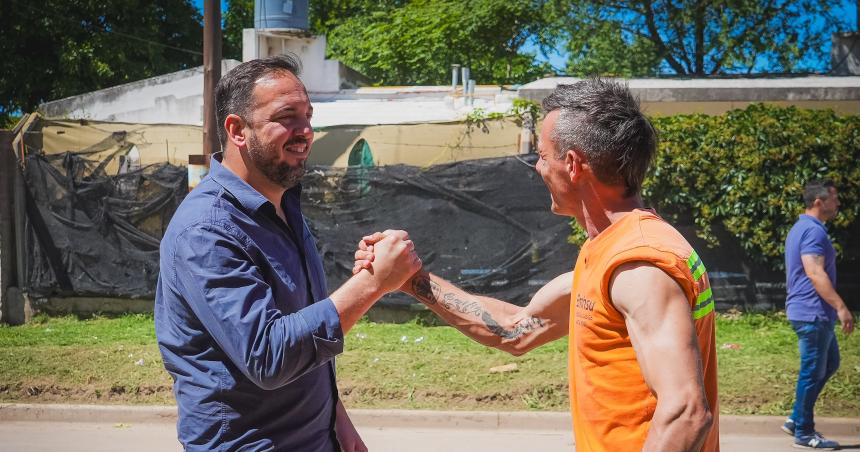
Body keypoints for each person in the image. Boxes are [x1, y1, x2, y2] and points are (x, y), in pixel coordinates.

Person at [355, 79, 718, 452]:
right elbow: (516, 330)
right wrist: (411, 279)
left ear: (574, 165)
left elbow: (685, 414)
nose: (537, 168)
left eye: (543, 156)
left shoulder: (638, 266)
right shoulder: (609, 253)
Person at [154, 55, 421, 451]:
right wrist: (372, 283)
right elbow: (269, 355)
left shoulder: (282, 207)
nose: (306, 131)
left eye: (308, 116)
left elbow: (304, 339)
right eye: (287, 116)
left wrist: (337, 423)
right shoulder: (206, 231)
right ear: (237, 129)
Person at [781, 180, 855, 450]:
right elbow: (814, 272)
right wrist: (841, 307)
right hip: (811, 312)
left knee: (830, 363)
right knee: (812, 372)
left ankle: (795, 418)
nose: (837, 203)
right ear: (818, 202)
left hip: (813, 313)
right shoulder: (812, 232)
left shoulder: (804, 228)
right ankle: (804, 431)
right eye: (833, 198)